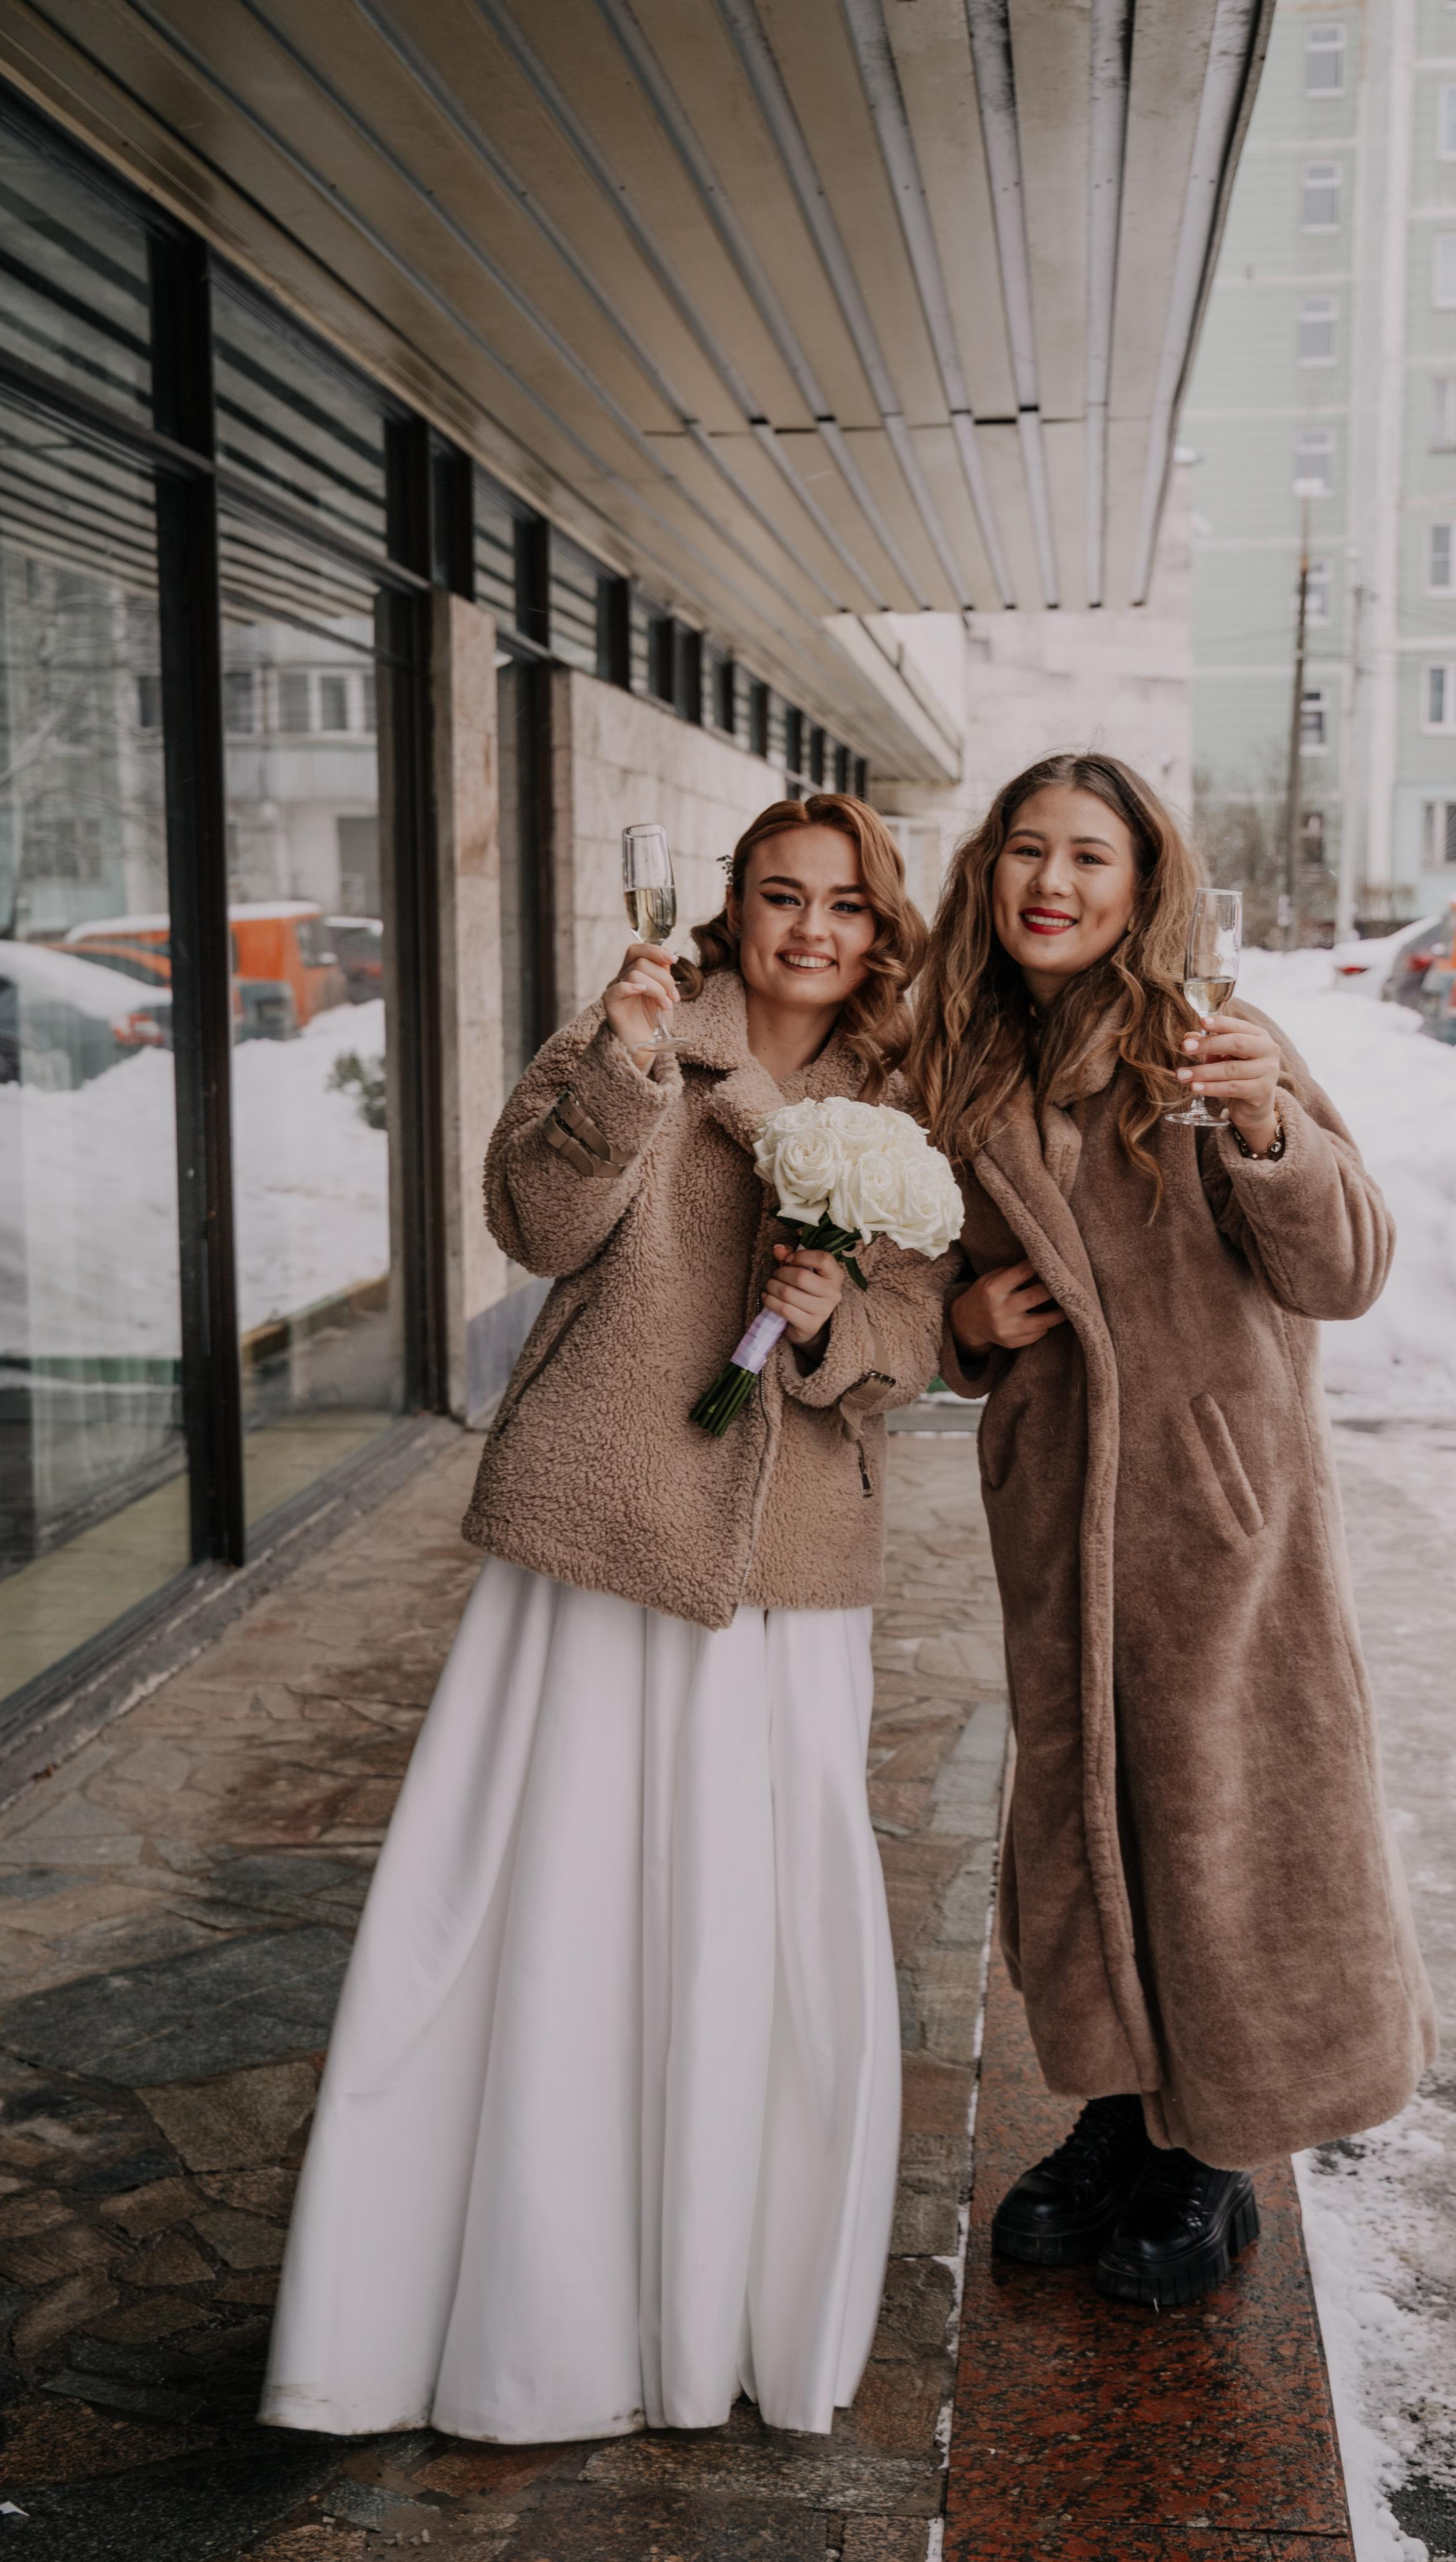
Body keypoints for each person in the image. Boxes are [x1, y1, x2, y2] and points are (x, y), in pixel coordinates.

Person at [261, 794, 956, 2443]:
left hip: (785, 1570)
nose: (808, 930)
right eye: (779, 897)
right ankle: (513, 2314)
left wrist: (828, 1320)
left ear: (878, 929)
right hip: (593, 1534)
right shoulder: (642, 1021)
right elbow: (534, 1224)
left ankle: (716, 2298)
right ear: (734, 904)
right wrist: (628, 1066)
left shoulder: (909, 1097)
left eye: (843, 906)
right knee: (541, 1905)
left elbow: (918, 1342)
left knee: (752, 1923)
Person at [907, 751, 1435, 2310]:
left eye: (1087, 858)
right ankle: (1123, 2114)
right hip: (1062, 1506)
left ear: (1141, 888)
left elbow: (1343, 1269)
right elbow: (899, 1271)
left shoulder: (1206, 1040)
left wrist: (1271, 1128)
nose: (1049, 885)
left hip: (1219, 1517)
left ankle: (1219, 2147)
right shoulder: (958, 1056)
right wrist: (963, 1326)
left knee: (1230, 1825)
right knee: (1096, 1817)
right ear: (986, 874)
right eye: (1023, 852)